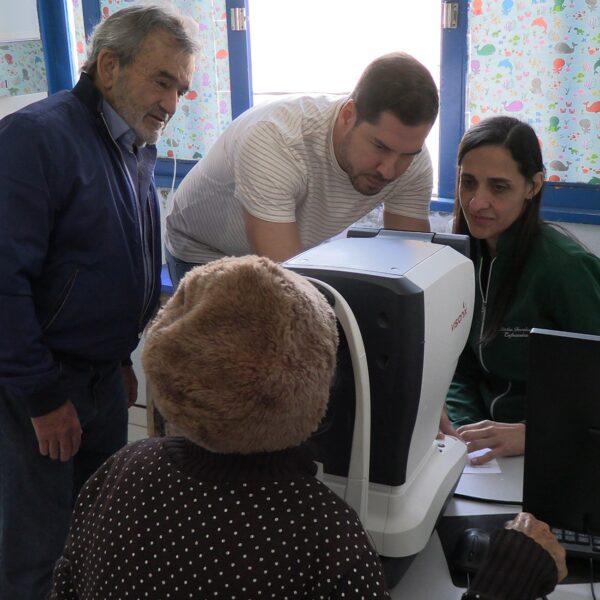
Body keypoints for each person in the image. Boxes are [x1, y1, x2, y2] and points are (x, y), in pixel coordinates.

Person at [49, 255, 566, 599]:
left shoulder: (122, 471)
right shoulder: (321, 530)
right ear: (317, 374)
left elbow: (66, 585)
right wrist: (509, 577)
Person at [0, 6, 198, 599]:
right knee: (37, 549)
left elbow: (110, 260)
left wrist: (119, 359)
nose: (171, 102)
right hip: (42, 385)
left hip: (101, 379)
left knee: (97, 532)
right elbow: (4, 283)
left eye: (181, 89)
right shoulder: (36, 138)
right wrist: (42, 398)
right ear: (109, 66)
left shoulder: (132, 141)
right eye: (162, 81)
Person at [164, 51, 439, 286]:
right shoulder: (275, 140)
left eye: (407, 155)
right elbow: (287, 284)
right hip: (204, 253)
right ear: (348, 115)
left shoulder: (412, 159)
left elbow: (412, 267)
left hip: (290, 255)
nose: (389, 171)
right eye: (379, 147)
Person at [445, 116, 600, 465]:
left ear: (533, 186)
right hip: (483, 453)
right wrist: (465, 429)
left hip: (554, 448)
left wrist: (536, 432)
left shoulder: (565, 267)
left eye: (498, 187)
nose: (476, 202)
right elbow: (460, 366)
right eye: (468, 182)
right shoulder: (462, 256)